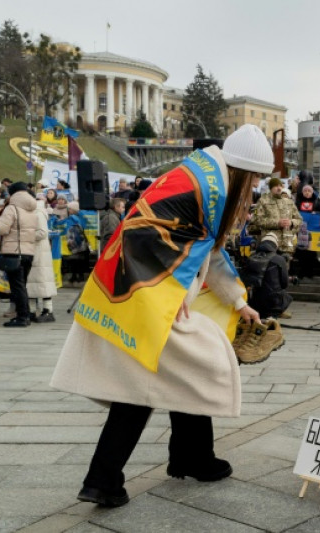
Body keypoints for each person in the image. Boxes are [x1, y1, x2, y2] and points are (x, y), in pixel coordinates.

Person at [50, 125, 268, 508]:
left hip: (150, 296)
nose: (253, 189)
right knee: (149, 387)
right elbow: (142, 233)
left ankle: (190, 457)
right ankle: (104, 479)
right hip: (149, 298)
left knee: (179, 374)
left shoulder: (204, 184)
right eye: (253, 180)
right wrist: (170, 287)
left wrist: (237, 302)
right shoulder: (205, 188)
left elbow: (207, 252)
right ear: (240, 172)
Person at [0, 182, 39, 327]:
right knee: (22, 285)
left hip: (13, 251)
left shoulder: (12, 208)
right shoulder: (31, 209)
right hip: (28, 252)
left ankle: (22, 317)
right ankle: (25, 314)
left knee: (17, 286)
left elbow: (0, 229)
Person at [250, 177, 302, 264]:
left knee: (284, 272)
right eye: (276, 186)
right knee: (270, 271)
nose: (279, 188)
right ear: (270, 188)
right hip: (269, 244)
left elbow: (299, 220)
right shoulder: (263, 201)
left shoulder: (289, 202)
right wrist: (277, 223)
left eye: (280, 186)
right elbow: (256, 220)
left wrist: (291, 222)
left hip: (286, 245)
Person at [241, 234, 292, 319]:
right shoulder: (279, 259)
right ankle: (275, 315)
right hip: (273, 302)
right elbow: (284, 284)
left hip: (254, 302)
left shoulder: (251, 257)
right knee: (286, 297)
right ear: (275, 245)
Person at [27, 191, 58, 323]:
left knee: (42, 281)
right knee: (32, 282)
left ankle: (48, 310)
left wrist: (25, 235)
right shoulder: (32, 211)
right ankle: (32, 311)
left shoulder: (38, 212)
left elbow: (42, 233)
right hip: (33, 250)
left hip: (39, 252)